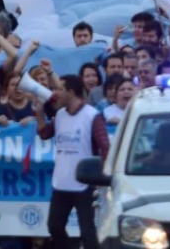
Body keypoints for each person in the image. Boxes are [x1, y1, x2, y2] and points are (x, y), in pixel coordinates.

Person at [36, 74, 109, 249]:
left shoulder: (92, 115)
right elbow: (44, 134)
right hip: (61, 183)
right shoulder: (60, 114)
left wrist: (101, 177)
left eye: (59, 89)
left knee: (88, 232)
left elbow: (105, 146)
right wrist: (39, 114)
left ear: (70, 92)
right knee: (54, 226)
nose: (55, 93)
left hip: (84, 184)